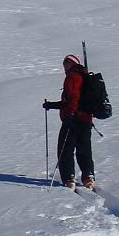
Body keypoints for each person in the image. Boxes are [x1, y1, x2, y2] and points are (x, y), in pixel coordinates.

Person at [43, 55, 95, 189]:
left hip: (73, 119)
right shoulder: (85, 76)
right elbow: (69, 101)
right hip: (86, 119)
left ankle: (68, 178)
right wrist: (52, 105)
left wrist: (71, 114)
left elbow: (73, 98)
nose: (65, 65)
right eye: (64, 63)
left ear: (73, 64)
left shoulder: (72, 77)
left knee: (65, 149)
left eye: (67, 62)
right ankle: (88, 176)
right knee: (84, 149)